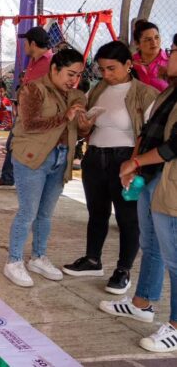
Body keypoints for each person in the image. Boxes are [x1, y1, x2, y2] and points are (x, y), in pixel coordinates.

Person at [99, 40, 177, 353]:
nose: (168, 56)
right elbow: (148, 133)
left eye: (173, 51)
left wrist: (135, 162)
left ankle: (174, 326)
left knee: (175, 257)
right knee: (152, 245)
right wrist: (137, 163)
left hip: (170, 182)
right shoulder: (170, 90)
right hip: (153, 177)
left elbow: (174, 145)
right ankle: (142, 303)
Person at [61, 41, 158, 294]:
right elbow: (87, 130)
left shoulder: (144, 93)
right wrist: (84, 123)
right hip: (95, 157)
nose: (106, 74)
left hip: (124, 158)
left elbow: (148, 135)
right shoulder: (100, 88)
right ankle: (92, 259)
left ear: (128, 65)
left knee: (127, 217)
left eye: (112, 68)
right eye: (102, 69)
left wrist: (134, 164)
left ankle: (123, 270)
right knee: (97, 212)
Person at [3, 49, 91, 288]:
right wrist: (66, 116)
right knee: (27, 212)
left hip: (61, 158)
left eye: (78, 75)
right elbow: (30, 124)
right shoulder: (33, 89)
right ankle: (14, 261)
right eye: (70, 74)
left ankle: (38, 257)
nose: (74, 80)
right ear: (54, 69)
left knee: (45, 214)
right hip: (32, 158)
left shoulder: (73, 94)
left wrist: (84, 125)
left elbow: (77, 130)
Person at [0, 26, 54, 190]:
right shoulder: (33, 61)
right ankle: (9, 178)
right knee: (12, 144)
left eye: (26, 42)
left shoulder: (52, 62)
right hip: (24, 113)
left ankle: (29, 181)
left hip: (39, 115)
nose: (24, 45)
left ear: (32, 43)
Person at [132, 20, 170, 93]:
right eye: (148, 39)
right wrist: (131, 67)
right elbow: (123, 76)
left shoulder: (170, 62)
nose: (154, 42)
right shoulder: (131, 62)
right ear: (137, 43)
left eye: (156, 37)